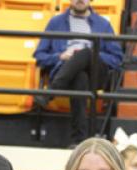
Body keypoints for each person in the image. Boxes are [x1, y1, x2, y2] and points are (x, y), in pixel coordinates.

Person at [33, 0, 123, 146]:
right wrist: (60, 56)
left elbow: (117, 58)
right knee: (80, 78)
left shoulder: (103, 24)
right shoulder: (56, 23)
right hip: (68, 74)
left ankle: (50, 92)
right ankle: (80, 141)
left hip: (97, 73)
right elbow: (40, 55)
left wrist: (93, 55)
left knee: (85, 52)